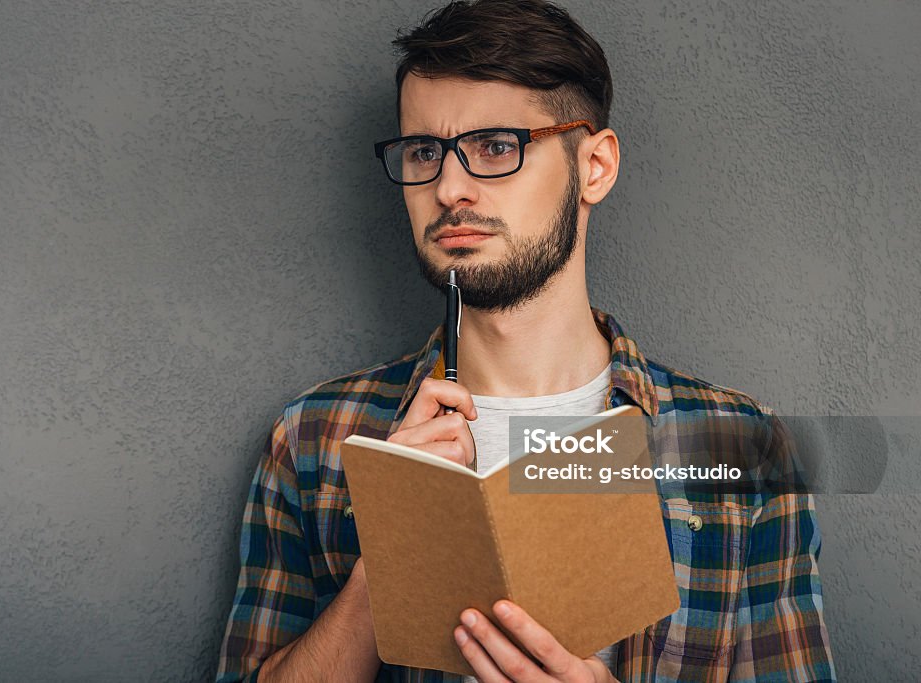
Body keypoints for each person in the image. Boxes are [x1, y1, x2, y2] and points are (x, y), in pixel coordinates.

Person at [216, 1, 836, 681]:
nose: (450, 187)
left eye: (496, 146)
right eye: (425, 151)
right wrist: (386, 566)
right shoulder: (314, 440)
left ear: (594, 168)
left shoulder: (741, 448)